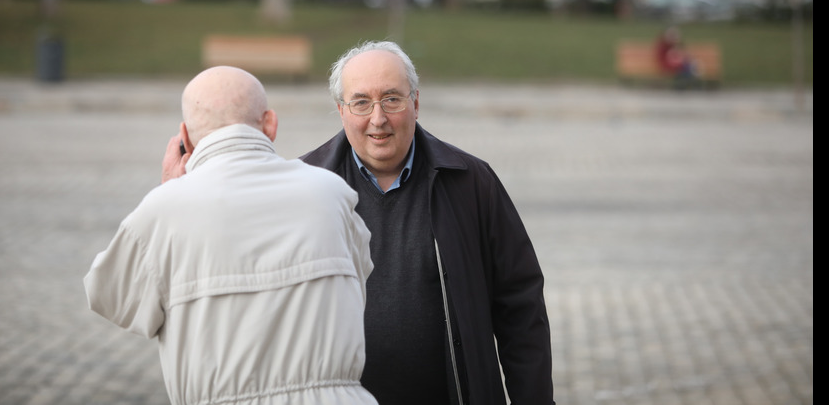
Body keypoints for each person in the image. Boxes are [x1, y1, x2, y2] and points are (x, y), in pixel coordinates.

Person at [84, 66, 378, 405]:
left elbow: (110, 298)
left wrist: (169, 190)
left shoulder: (165, 208)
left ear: (185, 137)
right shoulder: (331, 193)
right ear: (270, 123)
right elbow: (360, 277)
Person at [299, 41, 555, 405]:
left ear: (416, 103)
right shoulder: (303, 188)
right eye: (361, 102)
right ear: (341, 110)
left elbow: (521, 307)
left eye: (392, 99)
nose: (378, 118)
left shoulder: (470, 182)